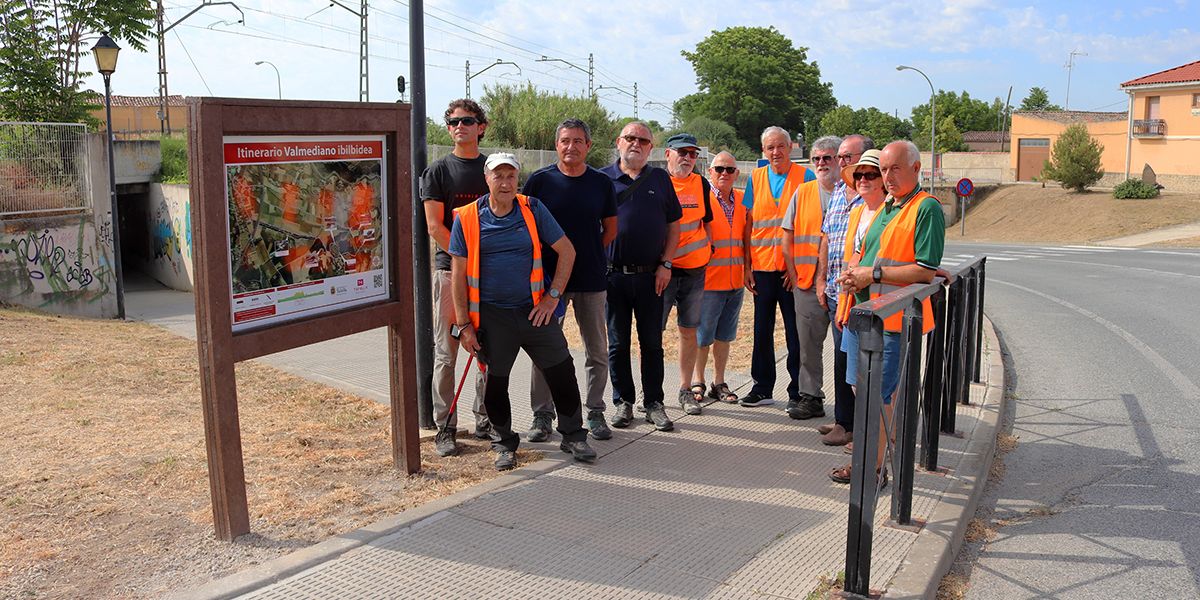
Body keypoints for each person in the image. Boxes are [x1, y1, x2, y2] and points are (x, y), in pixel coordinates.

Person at [449, 153, 597, 471]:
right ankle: (504, 443)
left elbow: (567, 251)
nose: (505, 183)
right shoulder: (467, 218)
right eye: (498, 176)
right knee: (495, 382)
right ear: (486, 180)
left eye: (511, 176)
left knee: (562, 371)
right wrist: (463, 325)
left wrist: (552, 298)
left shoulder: (532, 209)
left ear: (518, 179)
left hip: (534, 312)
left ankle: (573, 435)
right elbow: (457, 276)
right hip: (492, 316)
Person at [830, 141, 945, 485]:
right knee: (862, 392)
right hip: (864, 314)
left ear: (916, 168)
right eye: (884, 169)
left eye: (895, 168)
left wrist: (873, 275)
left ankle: (873, 470)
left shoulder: (926, 208)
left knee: (875, 397)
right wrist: (854, 276)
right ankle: (874, 460)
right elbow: (869, 255)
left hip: (892, 320)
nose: (887, 176)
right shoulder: (889, 207)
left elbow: (924, 269)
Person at [523, 119, 618, 442]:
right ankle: (542, 414)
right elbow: (527, 227)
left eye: (578, 141)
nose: (571, 147)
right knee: (545, 349)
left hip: (591, 279)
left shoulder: (601, 183)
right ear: (556, 144)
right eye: (565, 141)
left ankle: (594, 411)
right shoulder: (539, 182)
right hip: (550, 283)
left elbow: (611, 228)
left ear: (588, 146)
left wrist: (586, 252)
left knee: (597, 351)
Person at [419, 98, 490, 457]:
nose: (459, 126)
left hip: (490, 277)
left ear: (481, 126)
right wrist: (467, 260)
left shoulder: (493, 169)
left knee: (489, 351)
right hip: (451, 272)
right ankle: (445, 425)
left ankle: (486, 419)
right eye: (453, 121)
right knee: (446, 354)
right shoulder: (438, 171)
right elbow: (435, 226)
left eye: (467, 120)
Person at [601, 121, 682, 432]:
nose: (636, 143)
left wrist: (667, 264)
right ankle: (623, 402)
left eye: (643, 140)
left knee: (652, 343)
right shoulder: (603, 179)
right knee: (617, 343)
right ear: (619, 142)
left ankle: (654, 403)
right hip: (613, 277)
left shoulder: (660, 179)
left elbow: (674, 225)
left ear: (651, 148)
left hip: (652, 277)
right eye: (630, 138)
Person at [739, 126, 808, 408]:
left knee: (795, 334)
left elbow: (813, 224)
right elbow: (748, 225)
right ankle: (762, 388)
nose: (776, 152)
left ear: (791, 146)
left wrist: (798, 270)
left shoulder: (806, 177)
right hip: (762, 270)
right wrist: (747, 266)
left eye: (780, 146)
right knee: (761, 332)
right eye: (770, 148)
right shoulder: (756, 177)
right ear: (763, 151)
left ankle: (798, 392)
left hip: (792, 272)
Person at [815, 134, 873, 447]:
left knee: (855, 361)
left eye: (847, 157)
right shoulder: (838, 191)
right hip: (838, 291)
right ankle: (845, 420)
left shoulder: (872, 196)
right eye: (839, 157)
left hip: (861, 295)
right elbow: (826, 238)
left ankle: (851, 426)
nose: (841, 163)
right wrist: (821, 279)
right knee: (841, 357)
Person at [781, 135, 842, 421]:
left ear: (839, 160)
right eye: (816, 158)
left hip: (842, 287)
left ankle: (848, 406)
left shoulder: (854, 193)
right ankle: (811, 397)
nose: (820, 163)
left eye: (827, 158)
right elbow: (787, 236)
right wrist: (793, 276)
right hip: (805, 285)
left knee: (846, 351)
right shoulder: (802, 192)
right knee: (807, 347)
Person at [661, 133, 714, 415]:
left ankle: (685, 389)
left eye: (693, 154)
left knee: (688, 331)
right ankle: (652, 393)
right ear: (668, 154)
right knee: (651, 332)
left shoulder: (701, 183)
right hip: (663, 272)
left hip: (694, 272)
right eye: (682, 152)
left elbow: (706, 223)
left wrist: (705, 252)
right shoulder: (657, 183)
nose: (687, 158)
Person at [692, 151, 745, 404]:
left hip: (735, 283)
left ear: (737, 174)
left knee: (725, 337)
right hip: (709, 282)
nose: (724, 174)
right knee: (703, 337)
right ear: (709, 171)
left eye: (730, 170)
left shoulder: (744, 201)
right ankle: (697, 381)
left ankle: (719, 383)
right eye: (719, 169)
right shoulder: (703, 200)